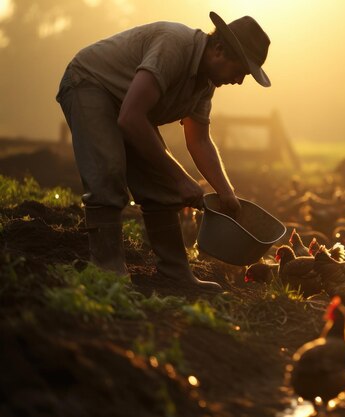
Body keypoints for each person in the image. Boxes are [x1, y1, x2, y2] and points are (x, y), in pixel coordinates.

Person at [56, 12, 272, 289]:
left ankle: (174, 273)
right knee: (108, 172)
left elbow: (199, 140)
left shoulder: (205, 84)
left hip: (128, 105)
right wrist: (181, 179)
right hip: (90, 84)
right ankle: (107, 268)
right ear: (219, 50)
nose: (240, 81)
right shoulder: (175, 46)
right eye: (241, 71)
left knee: (161, 184)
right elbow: (131, 118)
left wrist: (227, 194)